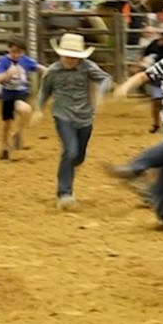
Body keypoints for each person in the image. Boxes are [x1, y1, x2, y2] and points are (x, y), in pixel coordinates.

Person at [36, 33, 112, 210]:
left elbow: (105, 79)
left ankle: (70, 169)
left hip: (85, 116)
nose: (70, 59)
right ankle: (65, 193)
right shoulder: (52, 72)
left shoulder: (87, 67)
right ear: (60, 55)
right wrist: (39, 109)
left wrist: (101, 92)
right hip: (63, 115)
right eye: (67, 55)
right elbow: (44, 91)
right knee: (70, 151)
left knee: (78, 155)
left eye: (74, 57)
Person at [0, 35, 46, 160]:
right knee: (7, 122)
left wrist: (51, 72)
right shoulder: (4, 62)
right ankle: (4, 147)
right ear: (9, 50)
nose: (16, 55)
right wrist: (8, 74)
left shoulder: (26, 61)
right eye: (13, 51)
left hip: (21, 94)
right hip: (7, 95)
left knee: (25, 110)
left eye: (19, 52)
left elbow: (40, 68)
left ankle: (17, 133)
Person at [140, 24, 163, 134]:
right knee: (157, 101)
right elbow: (144, 57)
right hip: (156, 78)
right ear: (159, 34)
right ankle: (156, 124)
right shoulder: (153, 45)